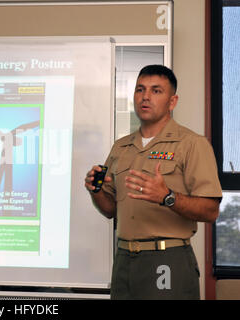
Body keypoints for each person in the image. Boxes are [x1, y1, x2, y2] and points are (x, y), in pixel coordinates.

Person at [84, 64, 222, 300]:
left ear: (172, 101)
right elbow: (109, 210)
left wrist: (167, 197)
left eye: (156, 91)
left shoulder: (191, 144)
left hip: (167, 258)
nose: (145, 96)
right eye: (140, 90)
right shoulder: (121, 147)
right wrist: (95, 191)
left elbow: (211, 211)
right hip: (125, 260)